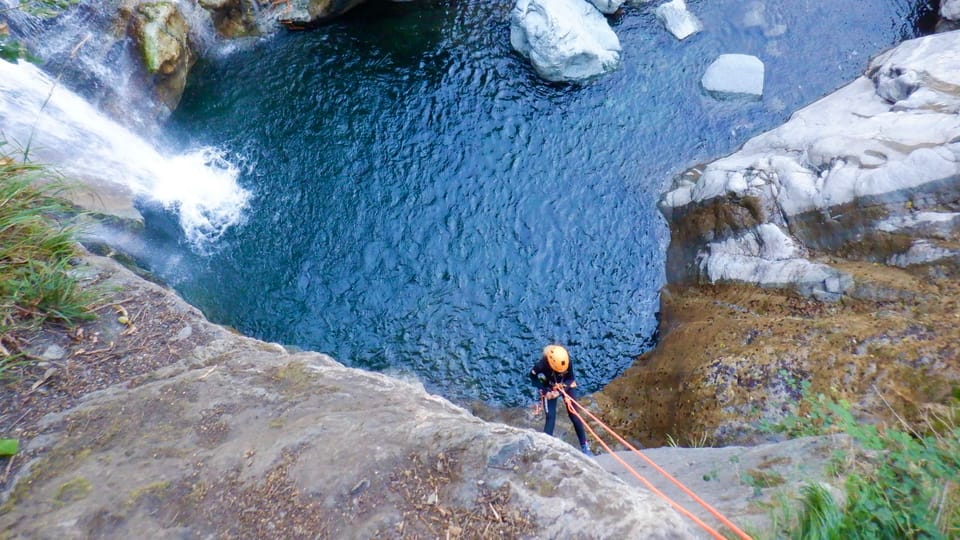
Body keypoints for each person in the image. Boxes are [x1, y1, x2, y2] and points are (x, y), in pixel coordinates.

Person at [528, 344, 592, 455]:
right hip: (550, 387)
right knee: (550, 417)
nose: (561, 372)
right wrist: (545, 391)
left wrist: (560, 391)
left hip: (565, 385)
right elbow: (533, 378)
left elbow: (571, 378)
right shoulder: (542, 365)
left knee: (575, 415)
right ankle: (546, 447)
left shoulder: (567, 361)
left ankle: (584, 446)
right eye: (559, 371)